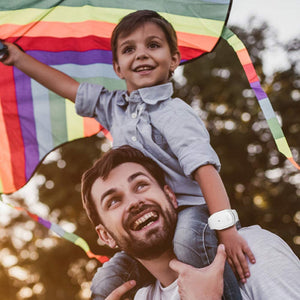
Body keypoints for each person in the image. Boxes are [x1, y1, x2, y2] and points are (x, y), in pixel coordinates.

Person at [1, 10, 256, 299]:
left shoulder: (174, 113)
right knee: (104, 282)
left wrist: (226, 230)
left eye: (153, 45)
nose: (141, 55)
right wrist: (18, 58)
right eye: (129, 49)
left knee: (187, 242)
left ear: (174, 59)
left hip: (191, 212)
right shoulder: (114, 108)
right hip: (150, 224)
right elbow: (68, 88)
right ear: (118, 68)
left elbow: (205, 170)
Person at [81, 145, 300, 300]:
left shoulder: (252, 252)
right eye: (114, 201)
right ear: (105, 236)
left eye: (140, 185)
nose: (134, 202)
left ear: (170, 196)